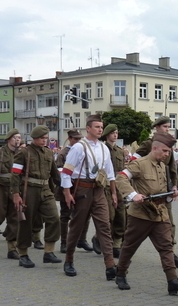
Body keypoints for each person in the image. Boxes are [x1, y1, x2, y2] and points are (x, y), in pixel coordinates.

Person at [115, 131, 178, 295]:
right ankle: (120, 274)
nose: (166, 155)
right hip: (140, 215)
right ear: (155, 148)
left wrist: (171, 194)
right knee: (129, 247)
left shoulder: (162, 166)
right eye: (164, 151)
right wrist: (132, 194)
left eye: (169, 152)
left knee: (166, 247)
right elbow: (121, 177)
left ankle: (173, 281)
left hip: (160, 212)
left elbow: (162, 190)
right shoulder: (139, 164)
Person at [61, 114, 117, 279]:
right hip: (82, 190)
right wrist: (67, 193)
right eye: (97, 127)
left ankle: (110, 266)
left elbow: (110, 173)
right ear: (88, 128)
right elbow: (66, 172)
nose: (100, 130)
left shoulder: (103, 147)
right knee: (77, 226)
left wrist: (113, 193)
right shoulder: (79, 147)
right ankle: (69, 259)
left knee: (104, 227)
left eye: (101, 127)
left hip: (99, 190)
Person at [131, 116, 178, 268]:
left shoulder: (168, 146)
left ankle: (171, 253)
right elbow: (133, 162)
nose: (168, 129)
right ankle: (120, 247)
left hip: (164, 191)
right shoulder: (149, 144)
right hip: (147, 192)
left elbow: (172, 168)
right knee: (136, 227)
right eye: (165, 127)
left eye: (169, 127)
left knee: (169, 223)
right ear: (157, 128)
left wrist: (174, 186)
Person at [11, 125, 62, 268]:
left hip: (45, 189)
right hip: (29, 190)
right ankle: (23, 254)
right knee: (26, 223)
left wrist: (65, 189)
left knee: (54, 219)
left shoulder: (48, 153)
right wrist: (16, 194)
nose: (44, 140)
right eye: (41, 138)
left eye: (46, 138)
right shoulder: (24, 153)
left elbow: (55, 174)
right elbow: (15, 174)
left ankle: (49, 252)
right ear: (34, 138)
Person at [55, 129, 92, 254]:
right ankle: (64, 242)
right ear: (70, 138)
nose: (78, 141)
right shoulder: (63, 153)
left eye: (79, 139)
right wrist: (67, 188)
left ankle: (82, 239)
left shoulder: (83, 150)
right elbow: (60, 172)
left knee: (85, 214)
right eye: (75, 139)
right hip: (67, 187)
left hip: (81, 186)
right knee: (65, 215)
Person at [92, 124, 126, 258]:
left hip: (119, 185)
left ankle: (116, 243)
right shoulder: (101, 149)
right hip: (105, 184)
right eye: (113, 133)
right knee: (108, 215)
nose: (115, 135)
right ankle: (98, 237)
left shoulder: (120, 151)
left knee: (121, 215)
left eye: (117, 133)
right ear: (107, 135)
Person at [0, 129, 21, 259]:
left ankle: (12, 248)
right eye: (15, 138)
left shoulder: (22, 154)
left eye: (19, 138)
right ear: (8, 139)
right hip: (0, 188)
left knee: (15, 218)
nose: (17, 140)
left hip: (15, 190)